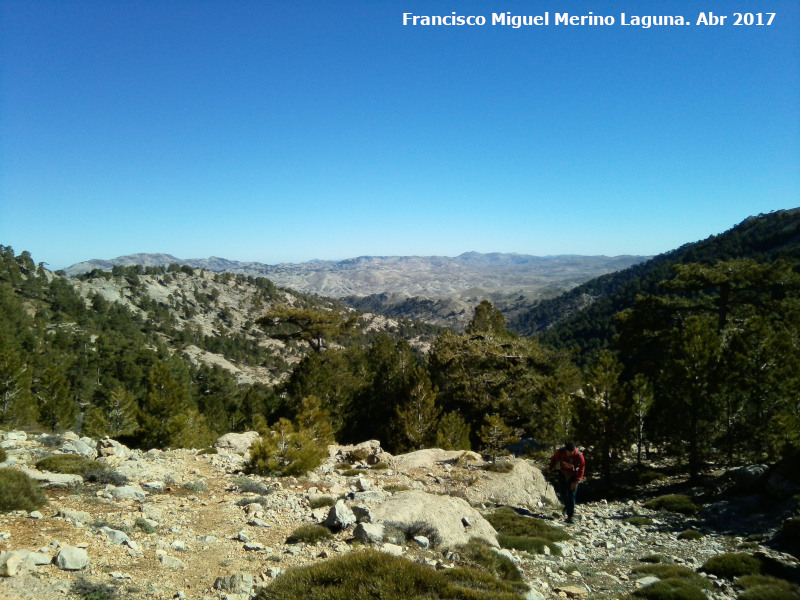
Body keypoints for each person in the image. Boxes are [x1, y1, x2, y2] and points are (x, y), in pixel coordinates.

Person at [548, 441, 585, 524]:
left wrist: (577, 481)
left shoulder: (579, 456)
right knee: (563, 492)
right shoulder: (561, 452)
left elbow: (582, 469)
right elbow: (554, 459)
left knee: (571, 495)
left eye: (570, 453)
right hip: (562, 473)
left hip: (573, 476)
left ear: (573, 450)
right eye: (567, 452)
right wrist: (551, 468)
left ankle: (570, 516)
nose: (568, 454)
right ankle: (566, 506)